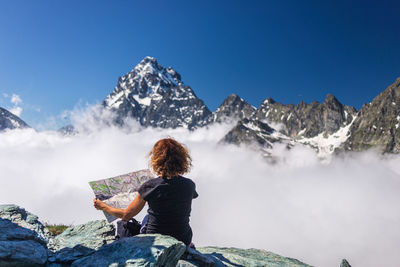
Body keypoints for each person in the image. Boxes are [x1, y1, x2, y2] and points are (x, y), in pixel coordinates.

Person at [93, 137, 198, 246]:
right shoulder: (190, 185)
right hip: (183, 238)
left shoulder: (150, 186)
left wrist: (103, 206)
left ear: (156, 160)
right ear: (182, 159)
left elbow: (126, 215)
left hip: (155, 240)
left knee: (128, 223)